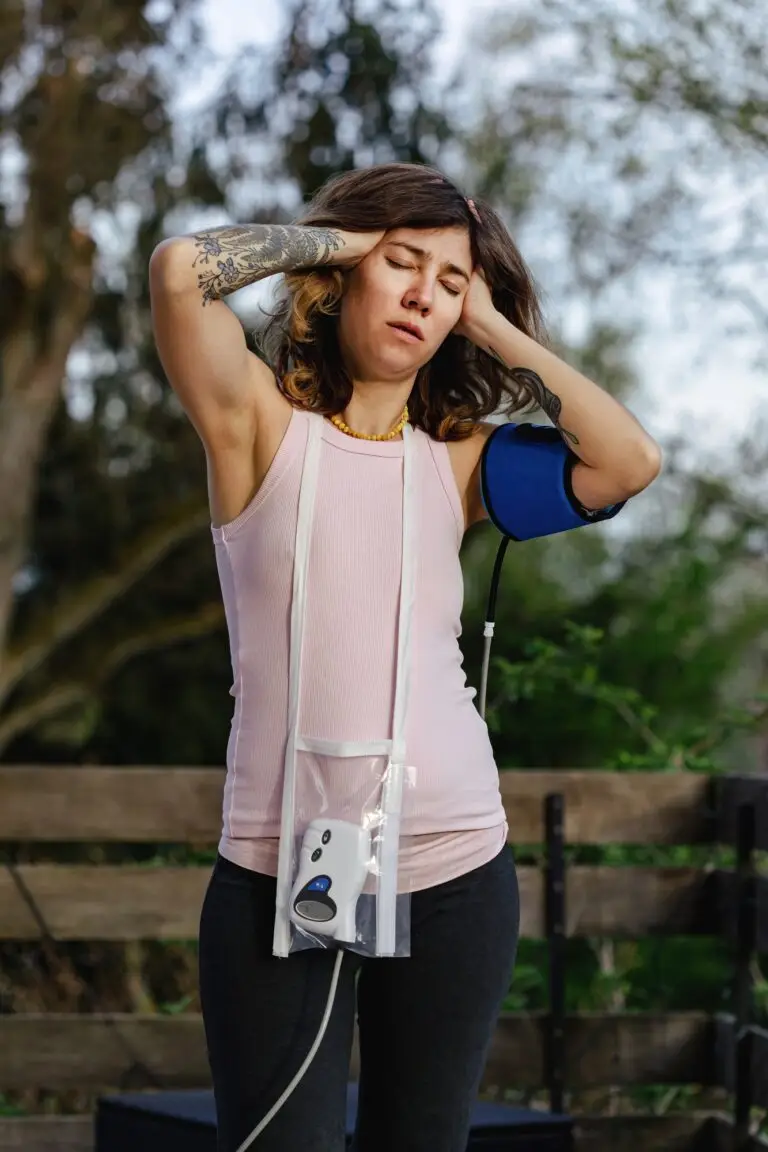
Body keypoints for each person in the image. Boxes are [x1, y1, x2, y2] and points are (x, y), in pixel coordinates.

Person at [148, 162, 661, 1152]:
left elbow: (627, 464)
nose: (425, 292)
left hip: (458, 865)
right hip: (280, 868)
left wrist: (489, 319)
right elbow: (181, 271)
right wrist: (348, 242)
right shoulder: (254, 427)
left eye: (451, 281)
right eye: (404, 265)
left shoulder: (460, 460)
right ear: (345, 275)